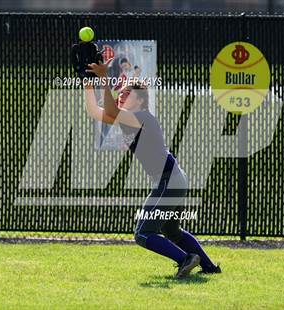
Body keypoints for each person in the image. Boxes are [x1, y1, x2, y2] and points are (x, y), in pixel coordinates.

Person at [84, 59, 221, 279]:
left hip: (168, 180)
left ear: (138, 99)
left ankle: (186, 259)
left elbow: (110, 108)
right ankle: (209, 267)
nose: (121, 95)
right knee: (171, 231)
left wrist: (103, 77)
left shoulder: (142, 117)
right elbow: (94, 110)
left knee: (143, 233)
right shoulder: (130, 119)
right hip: (172, 179)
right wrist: (88, 82)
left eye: (126, 94)